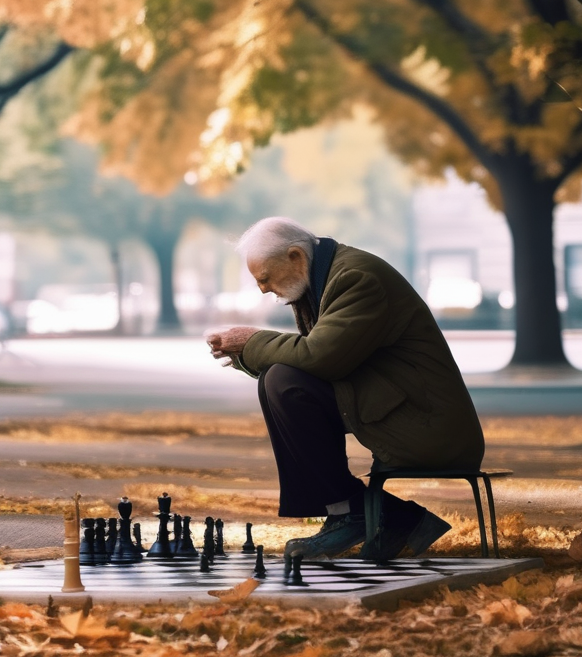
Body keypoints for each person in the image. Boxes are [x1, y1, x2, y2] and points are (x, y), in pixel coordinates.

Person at [206, 217, 484, 561]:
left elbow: (320, 357)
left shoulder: (356, 279)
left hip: (429, 426)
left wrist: (252, 343)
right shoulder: (324, 277)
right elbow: (317, 359)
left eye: (265, 278)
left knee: (282, 382)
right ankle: (374, 514)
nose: (263, 289)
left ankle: (353, 512)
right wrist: (248, 356)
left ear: (296, 257)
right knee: (277, 381)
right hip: (400, 407)